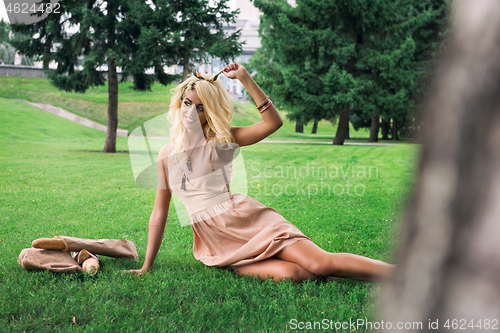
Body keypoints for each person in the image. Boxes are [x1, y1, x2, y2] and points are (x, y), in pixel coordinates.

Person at [125, 63, 394, 282]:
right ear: (178, 104)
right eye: (187, 103)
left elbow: (273, 122)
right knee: (296, 274)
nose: (191, 113)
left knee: (319, 262)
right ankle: (335, 272)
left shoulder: (221, 141)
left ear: (210, 112)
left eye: (200, 107)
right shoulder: (165, 155)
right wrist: (147, 265)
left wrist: (244, 77)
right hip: (217, 242)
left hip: (246, 221)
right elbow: (159, 212)